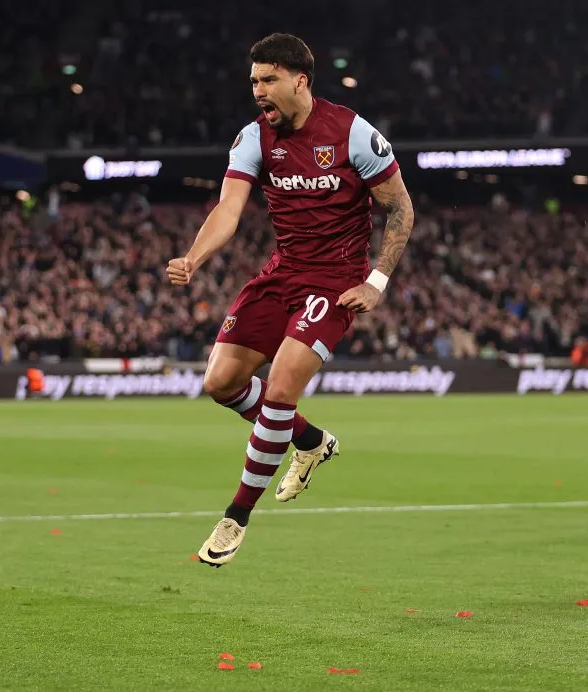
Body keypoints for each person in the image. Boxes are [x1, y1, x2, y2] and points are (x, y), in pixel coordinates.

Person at [167, 33, 414, 567]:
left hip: (333, 282)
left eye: (268, 79)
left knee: (278, 393)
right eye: (254, 80)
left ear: (300, 80)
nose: (258, 90)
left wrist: (376, 281)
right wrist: (194, 257)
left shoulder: (352, 133)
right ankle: (310, 440)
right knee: (220, 383)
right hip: (282, 273)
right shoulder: (254, 137)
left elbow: (401, 209)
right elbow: (228, 209)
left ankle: (236, 516)